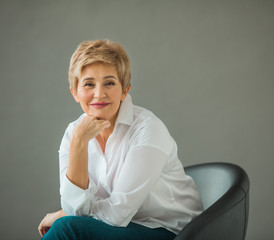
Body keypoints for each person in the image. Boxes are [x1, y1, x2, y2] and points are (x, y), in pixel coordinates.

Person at [38, 39, 203, 240]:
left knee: (68, 229)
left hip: (170, 232)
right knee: (68, 227)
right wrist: (79, 142)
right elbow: (73, 207)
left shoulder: (148, 129)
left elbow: (116, 214)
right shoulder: (74, 133)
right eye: (89, 84)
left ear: (125, 90)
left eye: (109, 83)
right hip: (121, 228)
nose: (99, 94)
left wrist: (63, 214)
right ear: (75, 92)